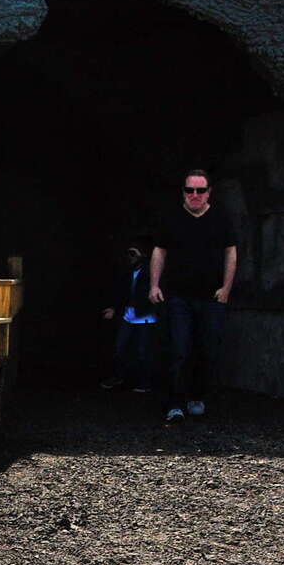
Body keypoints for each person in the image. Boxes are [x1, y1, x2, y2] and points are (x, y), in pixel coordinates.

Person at [149, 169, 237, 424]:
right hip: (178, 296)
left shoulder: (220, 218)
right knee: (178, 348)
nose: (195, 195)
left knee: (207, 348)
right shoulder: (171, 218)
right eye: (190, 190)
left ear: (209, 192)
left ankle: (196, 396)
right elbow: (159, 251)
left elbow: (231, 252)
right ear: (183, 192)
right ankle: (174, 403)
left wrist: (226, 288)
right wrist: (154, 285)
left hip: (211, 297)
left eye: (200, 190)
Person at [100, 238, 157, 392]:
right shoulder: (126, 272)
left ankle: (145, 382)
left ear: (142, 255)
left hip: (145, 316)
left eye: (133, 254)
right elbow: (121, 293)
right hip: (128, 314)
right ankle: (119, 376)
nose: (130, 257)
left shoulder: (150, 272)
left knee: (143, 351)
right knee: (120, 347)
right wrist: (114, 308)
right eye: (128, 254)